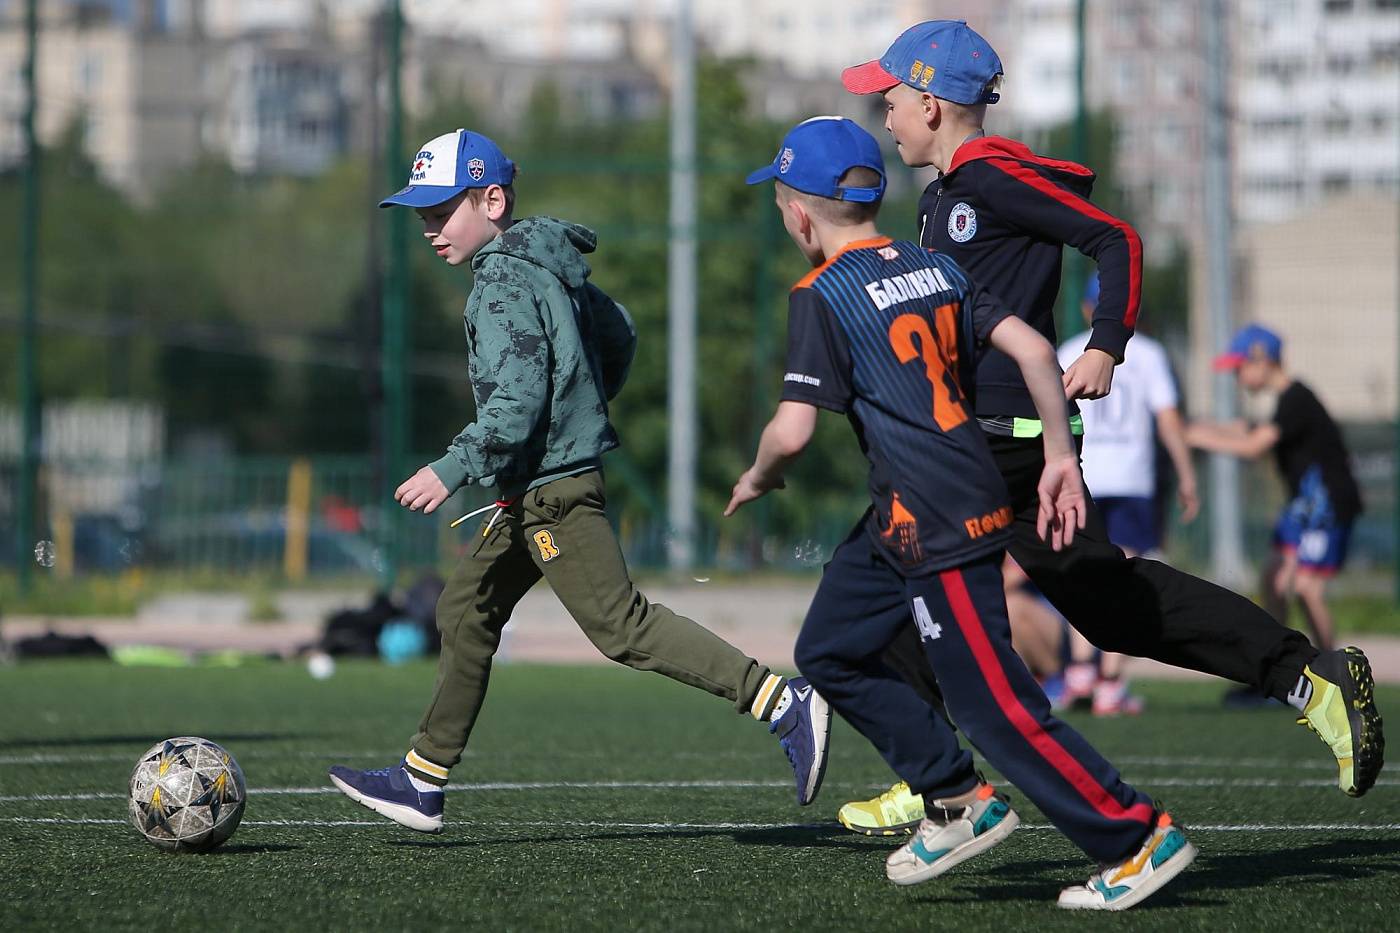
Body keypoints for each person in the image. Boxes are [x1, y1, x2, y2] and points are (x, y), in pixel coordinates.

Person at [834, 19, 1382, 833]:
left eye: (891, 98)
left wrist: (1107, 346)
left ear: (932, 102)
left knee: (881, 582)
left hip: (993, 439)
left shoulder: (985, 174)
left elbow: (1115, 237)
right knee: (1111, 605)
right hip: (992, 438)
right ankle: (1309, 678)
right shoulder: (944, 191)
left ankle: (942, 785)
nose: (883, 115)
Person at [730, 115, 1195, 911]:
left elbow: (794, 429)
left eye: (780, 206)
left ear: (800, 214)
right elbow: (1033, 351)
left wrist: (761, 472)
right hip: (905, 511)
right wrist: (1057, 455)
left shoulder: (819, 294)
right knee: (831, 647)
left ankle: (1138, 837)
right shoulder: (933, 265)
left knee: (991, 704)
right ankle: (955, 797)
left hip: (942, 514)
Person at [328, 128, 830, 832]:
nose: (430, 229)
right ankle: (422, 778)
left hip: (554, 493)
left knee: (621, 626)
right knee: (464, 610)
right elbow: (618, 332)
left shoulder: (500, 280)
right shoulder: (547, 260)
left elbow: (517, 400)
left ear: (492, 199)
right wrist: (583, 407)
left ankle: (781, 700)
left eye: (443, 211)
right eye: (422, 216)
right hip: (536, 485)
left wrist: (452, 466)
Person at [1053, 274, 1200, 715]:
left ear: (1085, 310)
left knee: (1082, 571)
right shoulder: (1151, 354)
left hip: (1084, 476)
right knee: (1125, 575)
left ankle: (1080, 673)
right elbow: (1168, 421)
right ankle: (1110, 682)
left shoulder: (1066, 351)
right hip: (1133, 480)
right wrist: (1187, 473)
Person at [1187, 324, 1364, 655]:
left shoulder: (1297, 398)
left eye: (1240, 368)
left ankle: (1336, 675)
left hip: (1326, 508)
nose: (1237, 377)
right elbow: (1246, 428)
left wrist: (1193, 438)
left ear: (1262, 361)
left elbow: (1254, 445)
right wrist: (1189, 426)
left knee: (1307, 589)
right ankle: (1277, 667)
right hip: (1303, 506)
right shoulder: (1287, 402)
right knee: (1273, 580)